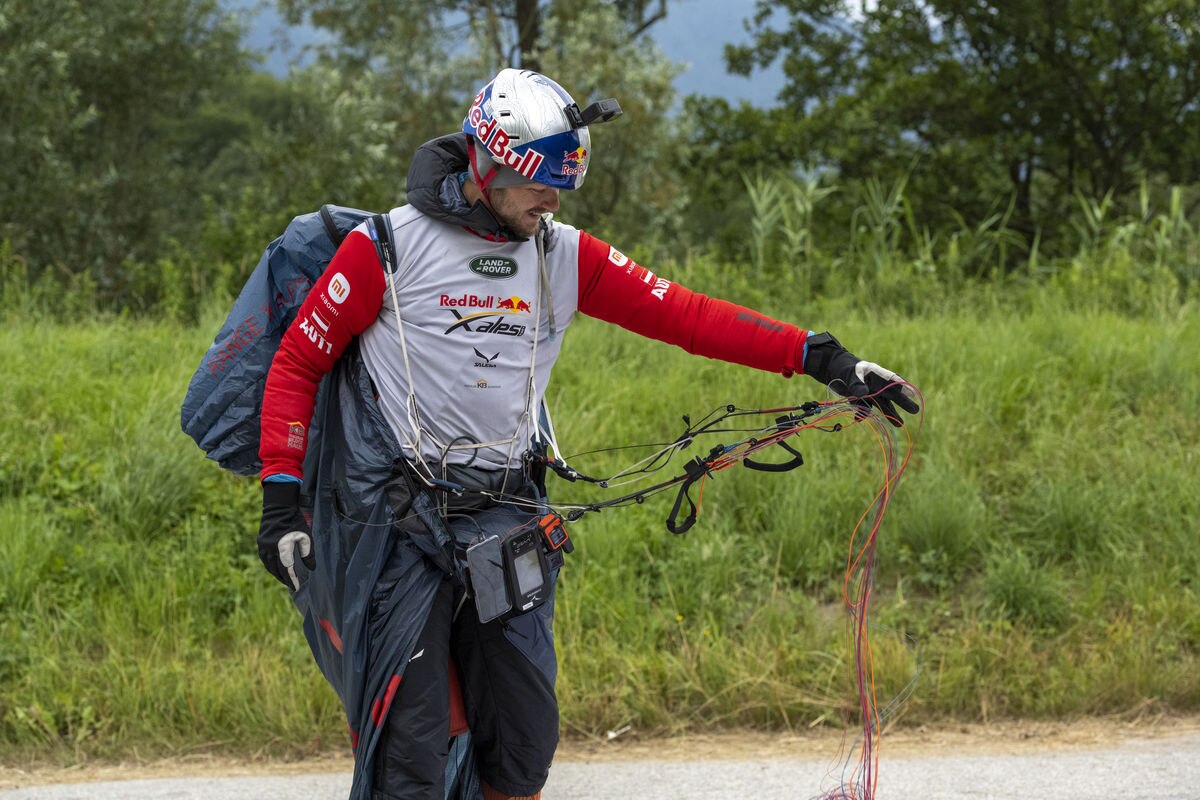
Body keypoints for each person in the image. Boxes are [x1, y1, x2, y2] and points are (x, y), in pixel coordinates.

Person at [255, 68, 918, 800]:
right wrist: (281, 498)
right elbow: (298, 361)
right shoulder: (385, 247)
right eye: (536, 182)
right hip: (396, 526)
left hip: (503, 520)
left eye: (561, 184)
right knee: (411, 751)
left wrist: (821, 356)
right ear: (485, 162)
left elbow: (691, 316)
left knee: (523, 746)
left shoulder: (560, 254)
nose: (551, 199)